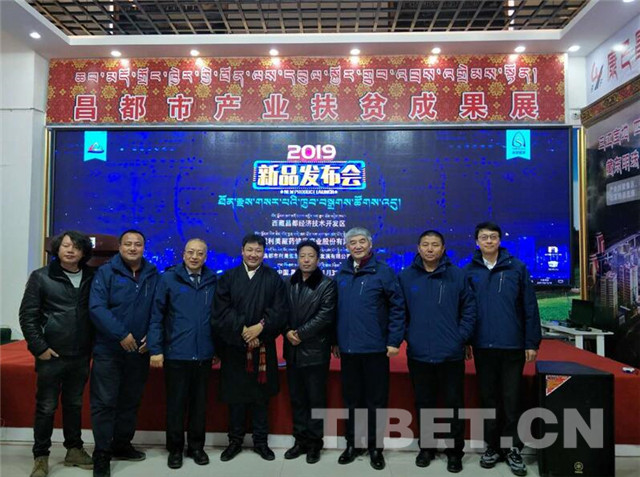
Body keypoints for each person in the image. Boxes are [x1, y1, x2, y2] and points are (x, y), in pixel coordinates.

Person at [465, 222, 541, 477]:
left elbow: (530, 307)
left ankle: (512, 449)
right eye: (484, 237)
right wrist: (466, 340)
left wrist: (531, 342)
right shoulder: (469, 271)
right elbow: (465, 310)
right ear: (477, 242)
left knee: (511, 398)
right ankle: (492, 447)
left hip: (512, 345)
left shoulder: (516, 268)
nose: (488, 241)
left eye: (493, 237)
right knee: (488, 398)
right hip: (483, 346)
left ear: (499, 240)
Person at [398, 230, 476, 473]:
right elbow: (399, 312)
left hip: (451, 354)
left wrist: (459, 338)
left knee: (454, 405)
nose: (430, 249)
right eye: (425, 244)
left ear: (443, 249)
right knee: (424, 404)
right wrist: (410, 336)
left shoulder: (457, 276)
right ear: (418, 248)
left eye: (434, 245)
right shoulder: (406, 276)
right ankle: (427, 448)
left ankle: (454, 452)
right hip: (419, 353)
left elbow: (469, 310)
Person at [19, 231, 95, 477]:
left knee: (74, 404)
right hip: (51, 354)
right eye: (65, 246)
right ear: (57, 249)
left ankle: (74, 449)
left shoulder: (92, 276)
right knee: (46, 407)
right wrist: (39, 347)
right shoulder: (41, 277)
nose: (70, 250)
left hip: (81, 354)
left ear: (84, 252)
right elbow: (28, 315)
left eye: (76, 247)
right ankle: (41, 456)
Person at [333, 227, 405, 471]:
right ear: (347, 247)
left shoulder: (383, 272)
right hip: (349, 350)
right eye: (352, 242)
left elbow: (397, 308)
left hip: (376, 349)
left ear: (370, 244)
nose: (357, 246)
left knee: (376, 401)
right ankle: (352, 444)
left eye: (361, 241)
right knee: (351, 400)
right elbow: (335, 311)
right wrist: (335, 340)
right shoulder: (341, 273)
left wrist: (394, 340)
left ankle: (375, 447)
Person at [211, 233, 288, 462]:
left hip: (263, 347)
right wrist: (244, 330)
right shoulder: (228, 278)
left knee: (261, 398)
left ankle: (261, 443)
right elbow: (221, 311)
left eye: (258, 251)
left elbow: (280, 311)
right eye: (250, 250)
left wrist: (260, 329)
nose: (254, 254)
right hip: (235, 347)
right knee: (235, 397)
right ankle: (234, 441)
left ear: (264, 253)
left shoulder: (273, 278)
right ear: (242, 251)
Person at [89, 229, 159, 477]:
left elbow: (158, 310)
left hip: (139, 351)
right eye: (128, 244)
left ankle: (122, 444)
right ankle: (102, 454)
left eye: (137, 244)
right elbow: (97, 308)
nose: (132, 248)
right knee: (104, 403)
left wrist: (152, 336)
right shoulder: (106, 272)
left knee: (130, 401)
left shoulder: (153, 274)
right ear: (119, 247)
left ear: (144, 247)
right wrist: (121, 335)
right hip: (109, 350)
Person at [148, 238, 217, 469]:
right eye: (191, 252)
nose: (195, 257)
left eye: (200, 253)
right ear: (183, 254)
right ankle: (175, 449)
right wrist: (156, 349)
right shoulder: (168, 279)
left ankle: (196, 447)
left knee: (199, 405)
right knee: (176, 405)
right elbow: (156, 316)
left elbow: (217, 319)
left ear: (205, 257)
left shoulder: (213, 280)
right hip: (176, 353)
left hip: (204, 354)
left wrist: (217, 349)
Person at [283, 239, 337, 464]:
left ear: (318, 259)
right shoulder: (288, 282)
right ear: (297, 258)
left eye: (311, 256)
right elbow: (280, 311)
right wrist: (287, 330)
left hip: (315, 352)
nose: (306, 260)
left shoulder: (327, 284)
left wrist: (300, 334)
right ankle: (300, 441)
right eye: (302, 256)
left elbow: (325, 315)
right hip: (292, 351)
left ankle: (315, 443)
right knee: (297, 399)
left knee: (316, 400)